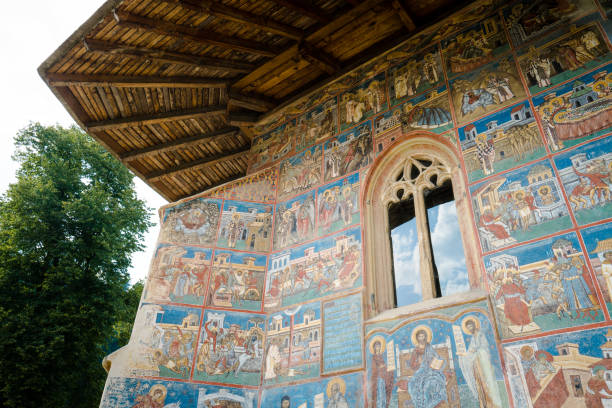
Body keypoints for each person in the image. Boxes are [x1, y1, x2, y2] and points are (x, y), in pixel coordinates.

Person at [458, 317, 502, 407]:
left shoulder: (480, 335)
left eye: (471, 326)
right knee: (480, 385)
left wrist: (476, 351)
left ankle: (492, 404)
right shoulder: (472, 338)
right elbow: (470, 352)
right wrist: (463, 356)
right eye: (468, 327)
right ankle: (484, 404)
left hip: (483, 365)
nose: (470, 328)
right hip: (477, 367)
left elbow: (484, 348)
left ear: (474, 325)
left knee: (487, 384)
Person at [407, 327, 448, 408]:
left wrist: (438, 361)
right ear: (417, 338)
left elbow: (436, 356)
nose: (421, 338)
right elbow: (412, 364)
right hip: (421, 369)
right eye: (419, 336)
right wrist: (418, 362)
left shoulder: (429, 346)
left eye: (423, 336)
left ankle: (433, 402)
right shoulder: (416, 350)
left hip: (431, 368)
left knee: (434, 381)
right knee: (413, 383)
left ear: (425, 337)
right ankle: (422, 404)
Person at [370, 339, 393, 408]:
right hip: (378, 378)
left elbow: (385, 366)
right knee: (380, 394)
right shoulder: (374, 357)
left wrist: (387, 368)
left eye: (379, 346)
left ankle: (383, 405)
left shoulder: (382, 356)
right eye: (376, 346)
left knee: (383, 394)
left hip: (384, 378)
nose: (378, 348)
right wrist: (382, 367)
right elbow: (374, 369)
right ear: (374, 348)